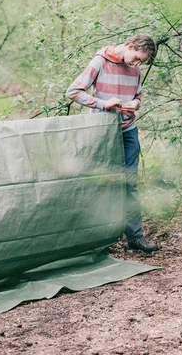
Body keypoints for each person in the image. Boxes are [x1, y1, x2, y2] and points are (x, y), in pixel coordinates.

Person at [65, 34, 160, 253]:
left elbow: (137, 95)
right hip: (102, 133)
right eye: (136, 58)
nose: (137, 64)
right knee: (100, 183)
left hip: (128, 131)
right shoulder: (101, 61)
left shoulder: (134, 67)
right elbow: (73, 92)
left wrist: (135, 103)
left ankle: (135, 237)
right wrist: (103, 103)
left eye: (141, 62)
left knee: (129, 184)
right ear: (129, 46)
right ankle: (98, 241)